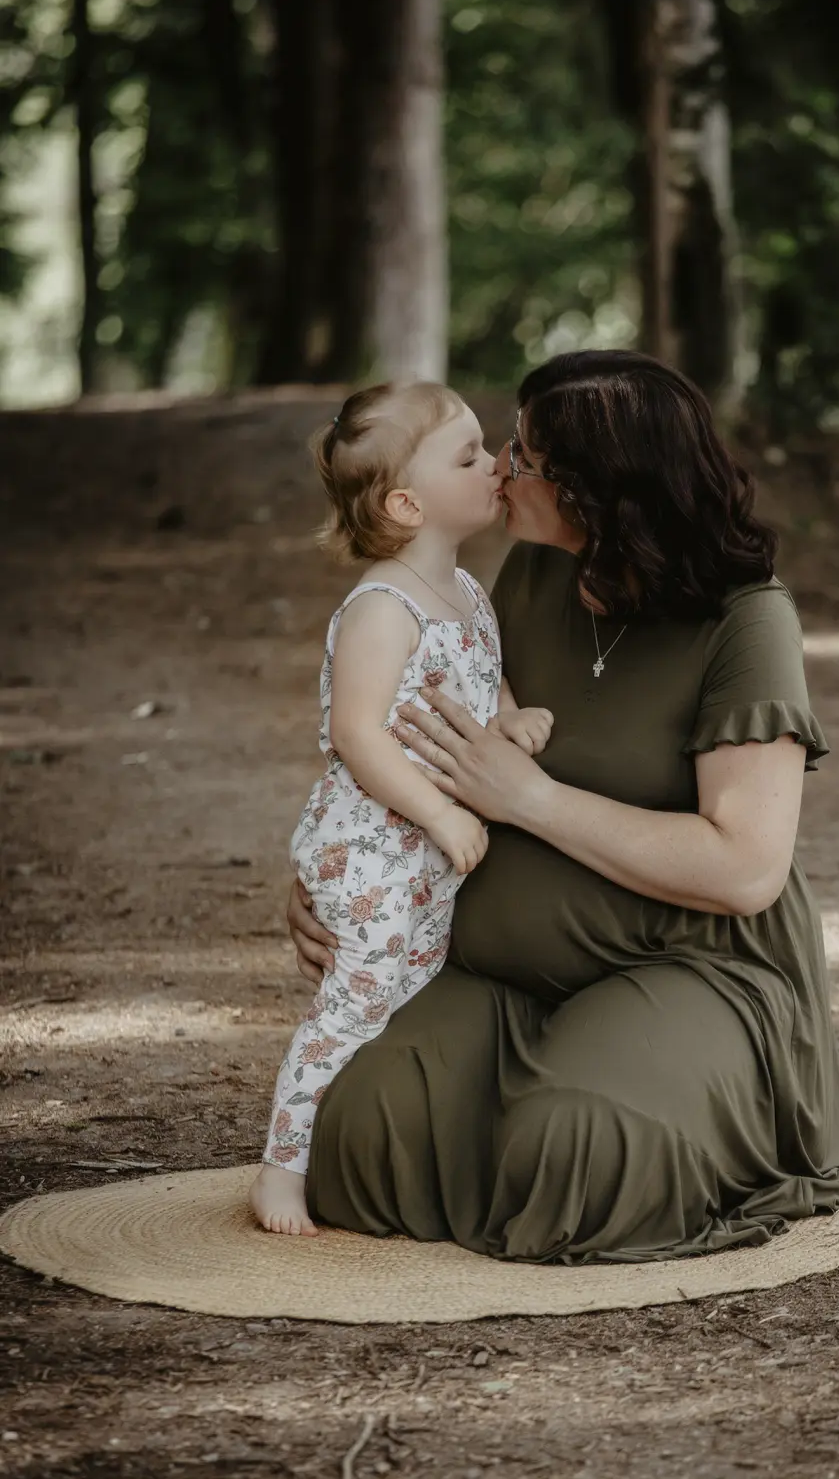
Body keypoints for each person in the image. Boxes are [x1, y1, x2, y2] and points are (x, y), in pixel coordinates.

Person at [285, 350, 839, 1263]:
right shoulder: (521, 579)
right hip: (490, 972)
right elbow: (389, 738)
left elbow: (745, 867)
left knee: (579, 1145)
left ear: (603, 494)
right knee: (353, 1135)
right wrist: (334, 884)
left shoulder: (746, 623)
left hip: (688, 967)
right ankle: (506, 1148)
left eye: (524, 458)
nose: (502, 471)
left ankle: (579, 1128)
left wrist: (532, 799)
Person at [251, 381, 554, 1236]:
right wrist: (442, 814)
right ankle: (284, 1165)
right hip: (375, 846)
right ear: (406, 503)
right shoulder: (383, 608)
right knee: (357, 999)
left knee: (409, 998)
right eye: (468, 455)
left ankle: (367, 1144)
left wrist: (510, 717)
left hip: (424, 857)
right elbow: (357, 733)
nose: (496, 462)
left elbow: (477, 679)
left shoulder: (465, 591)